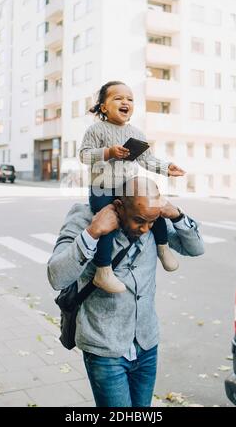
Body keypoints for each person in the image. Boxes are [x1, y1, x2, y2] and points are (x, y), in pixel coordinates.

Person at [47, 176, 205, 408]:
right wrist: (92, 232)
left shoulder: (152, 216)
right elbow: (56, 276)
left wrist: (177, 215)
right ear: (120, 205)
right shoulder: (84, 217)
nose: (145, 229)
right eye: (139, 221)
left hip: (146, 343)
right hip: (104, 347)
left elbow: (196, 248)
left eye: (150, 223)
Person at [79, 81, 186, 294]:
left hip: (130, 187)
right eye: (118, 98)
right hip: (102, 188)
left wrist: (166, 168)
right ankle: (103, 271)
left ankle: (163, 248)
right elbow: (84, 155)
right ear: (104, 107)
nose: (125, 102)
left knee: (153, 208)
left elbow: (146, 160)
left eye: (130, 99)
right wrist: (108, 152)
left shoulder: (136, 133)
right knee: (106, 223)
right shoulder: (96, 130)